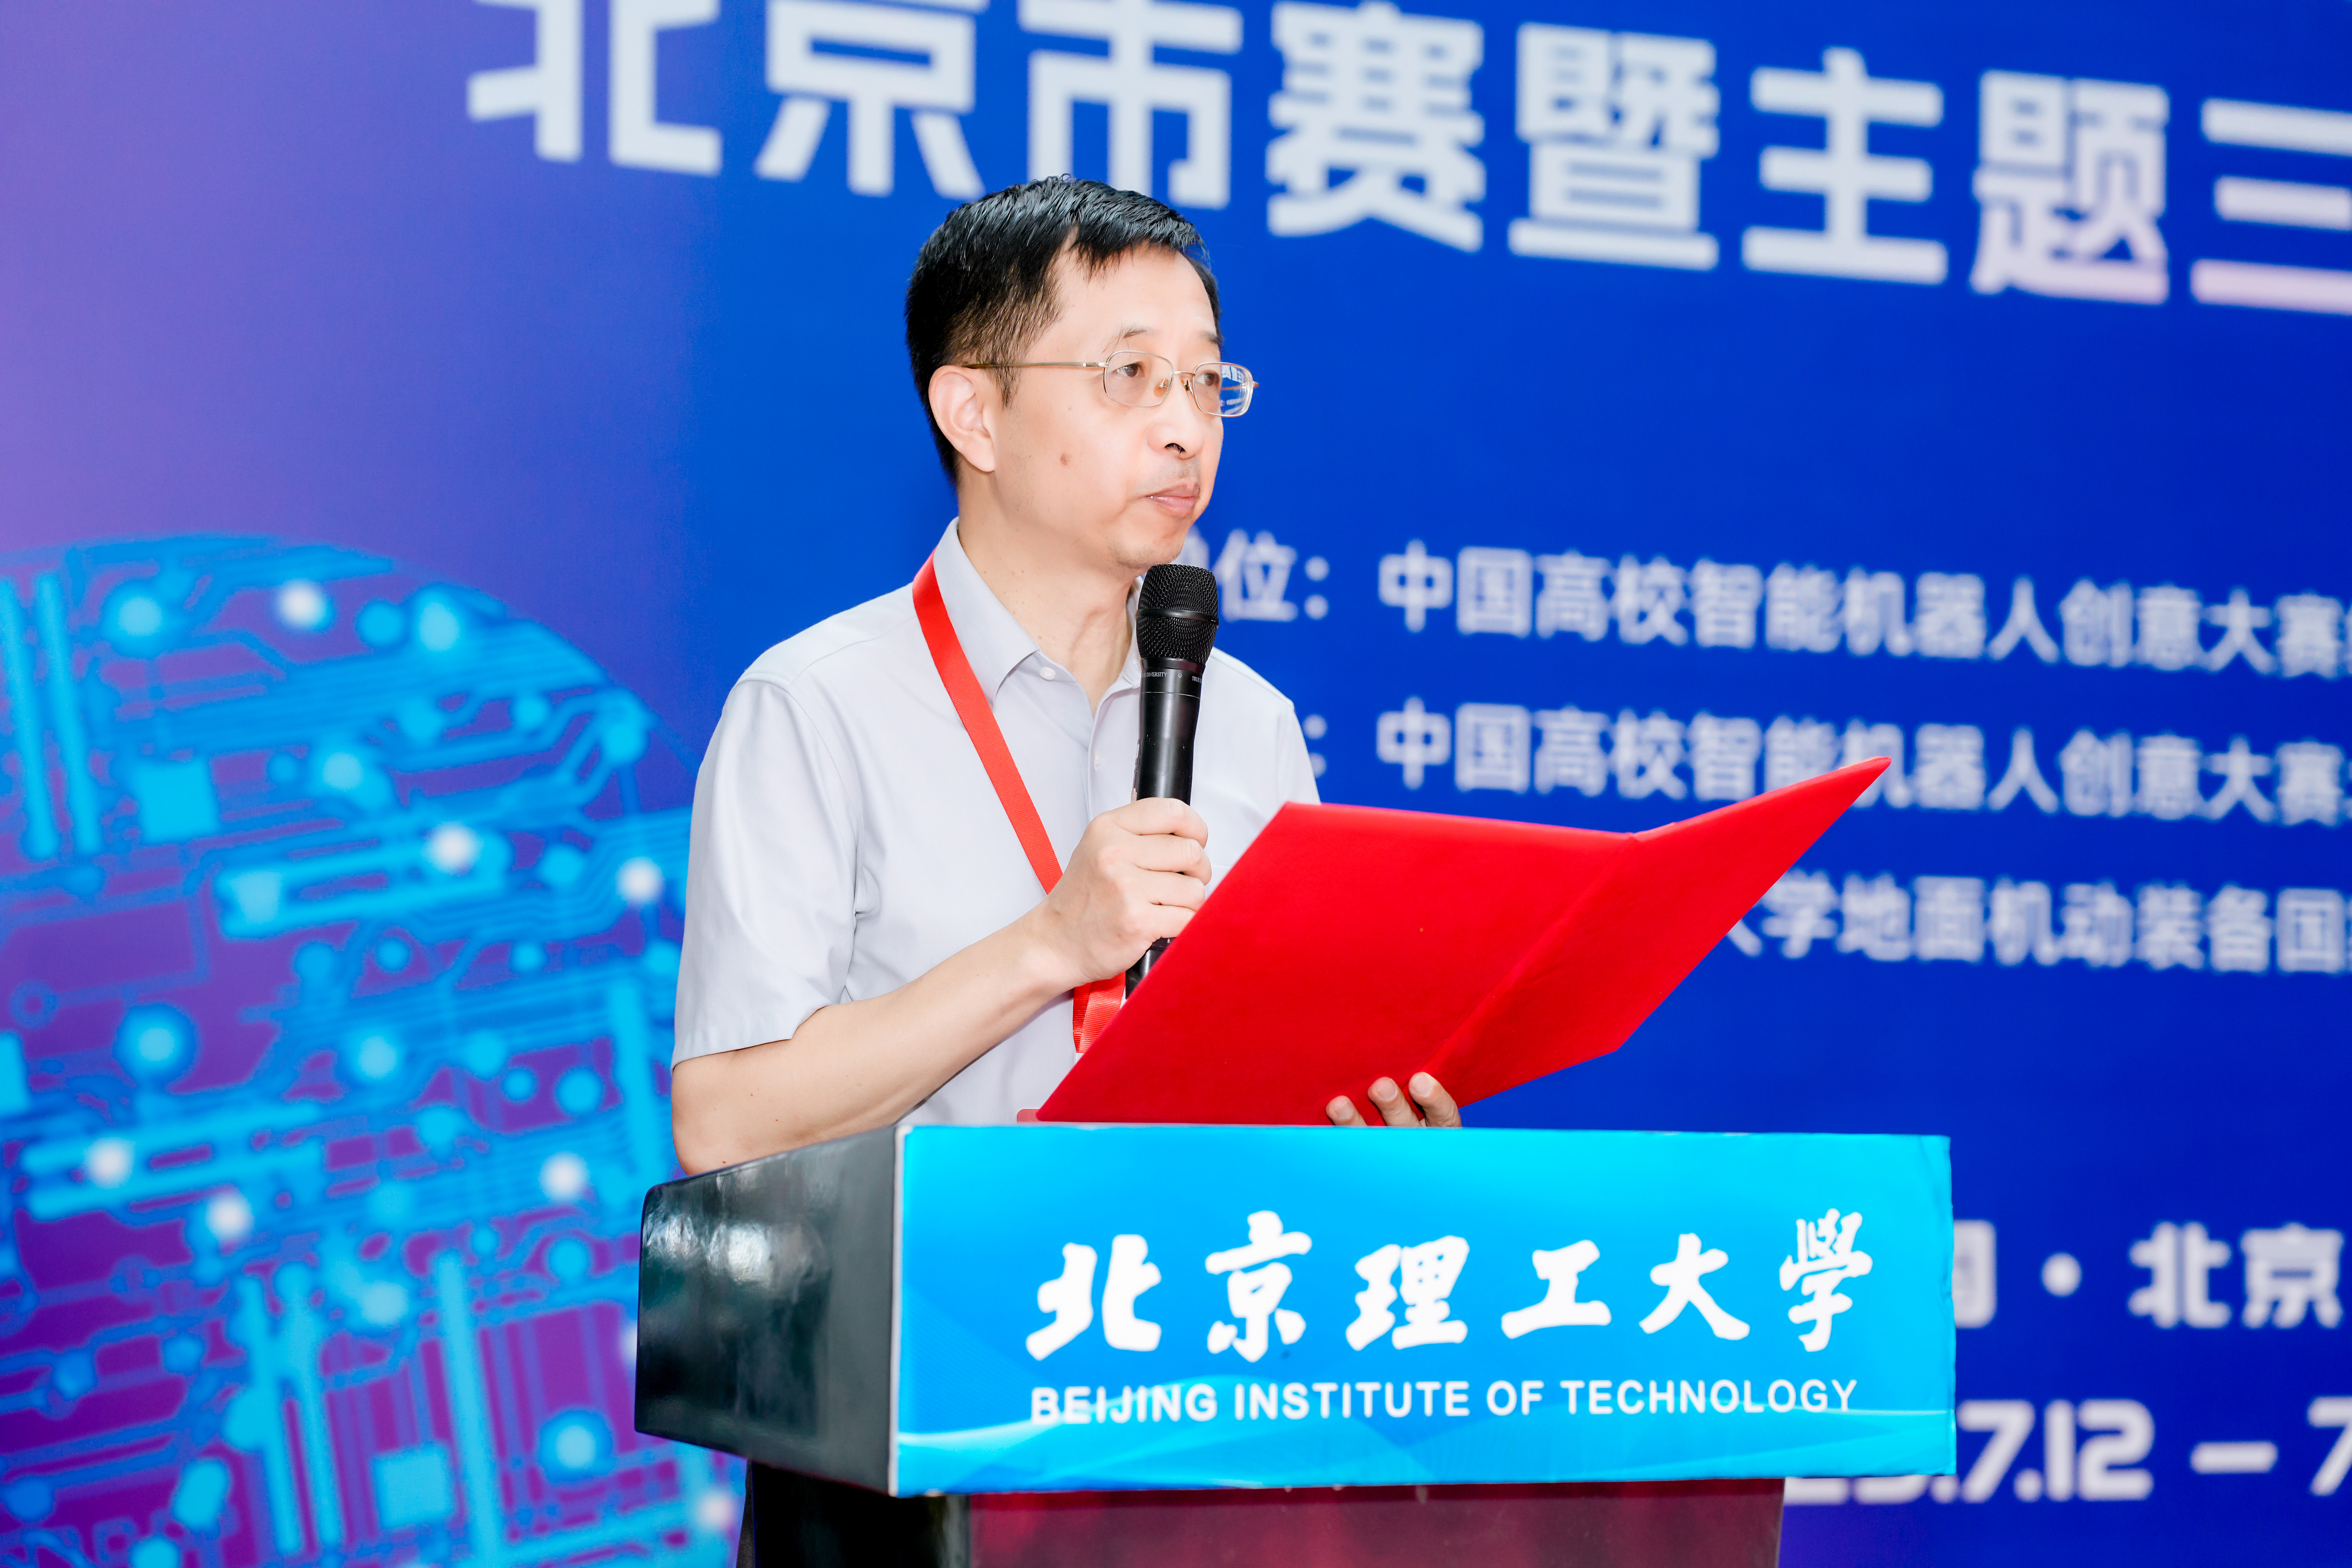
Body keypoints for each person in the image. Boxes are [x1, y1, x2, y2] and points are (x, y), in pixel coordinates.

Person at [669, 176, 1458, 1178]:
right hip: (923, 1279)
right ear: (975, 415)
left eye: (1205, 381)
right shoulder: (816, 708)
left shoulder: (1250, 722)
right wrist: (1051, 943)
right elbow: (726, 1126)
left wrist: (1365, 1133)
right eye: (1131, 374)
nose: (1186, 428)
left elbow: (1284, 1080)